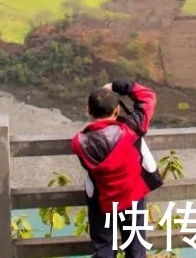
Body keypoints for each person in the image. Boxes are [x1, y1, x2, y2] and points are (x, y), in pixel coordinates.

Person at [71, 79, 158, 258]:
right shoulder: (132, 129)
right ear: (117, 111)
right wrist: (116, 86)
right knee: (135, 248)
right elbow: (148, 98)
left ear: (88, 110)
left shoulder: (79, 142)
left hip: (101, 200)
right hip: (131, 196)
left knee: (103, 249)